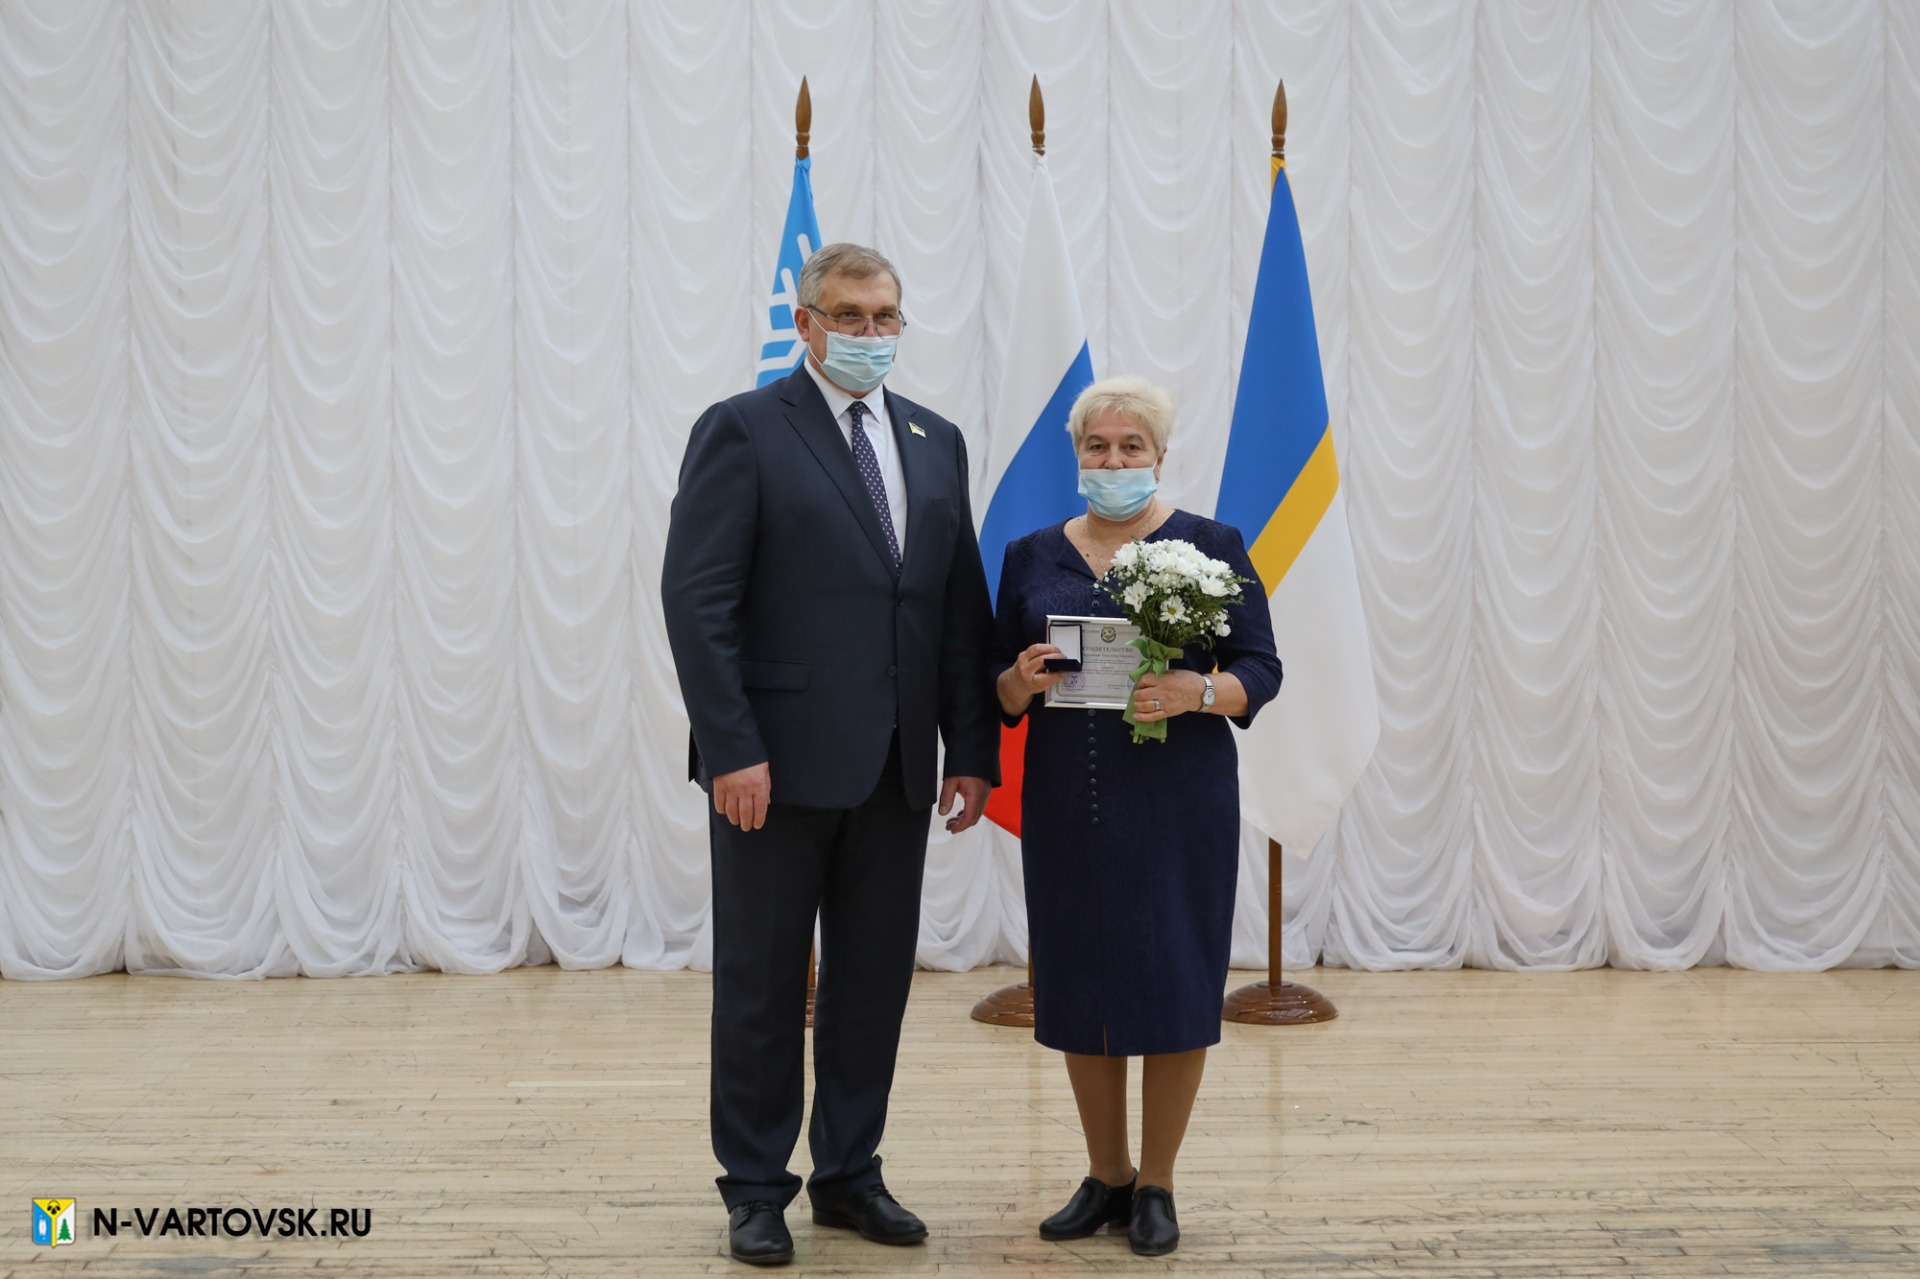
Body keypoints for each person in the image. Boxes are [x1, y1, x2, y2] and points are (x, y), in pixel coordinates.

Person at [661, 243, 999, 1267]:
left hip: (898, 768)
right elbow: (697, 600)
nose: (867, 334)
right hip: (773, 768)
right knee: (763, 983)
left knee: (871, 985)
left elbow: (954, 609)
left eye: (884, 317)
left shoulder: (935, 440)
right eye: (847, 315)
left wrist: (970, 747)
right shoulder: (744, 430)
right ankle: (756, 1186)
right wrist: (732, 748)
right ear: (804, 324)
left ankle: (851, 1173)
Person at [989, 375, 1283, 1257]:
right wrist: (1017, 682)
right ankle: (1104, 1174)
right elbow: (994, 685)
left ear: (1159, 455)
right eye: (1096, 447)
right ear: (1075, 455)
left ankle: (1157, 1181)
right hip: (1067, 798)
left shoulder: (1211, 543)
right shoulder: (1030, 552)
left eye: (1130, 448)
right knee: (1080, 978)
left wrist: (1200, 689)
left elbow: (1260, 668)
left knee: (1173, 977)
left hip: (1178, 800)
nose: (1112, 461)